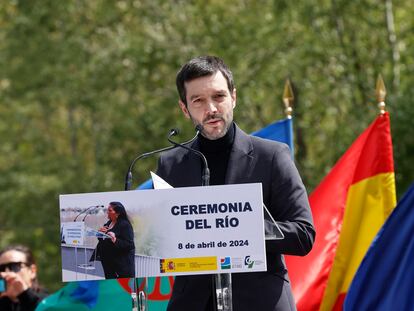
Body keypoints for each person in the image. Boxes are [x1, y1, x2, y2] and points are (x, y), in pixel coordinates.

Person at [156, 56, 315, 311]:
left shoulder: (272, 156)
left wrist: (236, 228)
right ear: (185, 109)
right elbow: (160, 243)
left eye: (219, 96)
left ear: (234, 97)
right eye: (198, 100)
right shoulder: (170, 165)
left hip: (260, 302)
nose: (211, 109)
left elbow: (303, 235)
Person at [93, 201, 135, 279]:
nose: (107, 212)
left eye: (110, 210)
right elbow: (103, 239)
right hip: (108, 263)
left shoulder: (125, 225)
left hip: (121, 266)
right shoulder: (109, 223)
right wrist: (100, 233)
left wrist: (115, 240)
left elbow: (129, 244)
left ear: (117, 213)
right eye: (107, 210)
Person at [0, 245, 48, 311]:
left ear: (32, 271)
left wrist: (25, 294)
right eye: (1, 268)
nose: (6, 272)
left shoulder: (49, 302)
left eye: (15, 266)